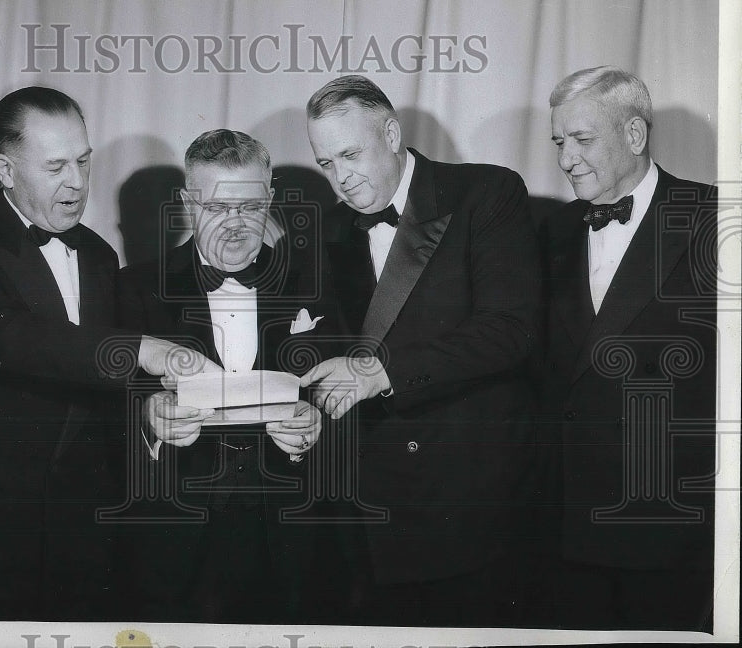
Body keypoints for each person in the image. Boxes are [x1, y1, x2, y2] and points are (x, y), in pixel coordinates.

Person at [0, 86, 215, 620]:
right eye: (55, 168)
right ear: (5, 171)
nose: (77, 183)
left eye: (83, 161)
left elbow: (103, 382)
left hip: (84, 527)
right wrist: (141, 348)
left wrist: (149, 411)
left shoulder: (95, 252)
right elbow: (7, 337)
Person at [299, 74, 541, 627]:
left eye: (350, 154)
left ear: (391, 132)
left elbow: (510, 330)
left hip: (467, 507)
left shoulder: (487, 192)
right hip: (368, 513)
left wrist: (382, 372)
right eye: (326, 164)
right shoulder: (322, 232)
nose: (341, 178)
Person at [114, 129, 336, 624]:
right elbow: (98, 410)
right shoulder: (132, 289)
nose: (235, 226)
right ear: (189, 203)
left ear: (272, 199)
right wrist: (150, 416)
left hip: (292, 537)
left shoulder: (316, 283)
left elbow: (343, 393)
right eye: (216, 209)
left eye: (251, 207)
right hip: (175, 537)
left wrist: (317, 421)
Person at [537, 66, 716, 631]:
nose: (566, 159)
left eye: (582, 140)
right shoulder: (551, 232)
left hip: (669, 529)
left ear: (635, 136)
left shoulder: (714, 220)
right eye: (559, 142)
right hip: (562, 529)